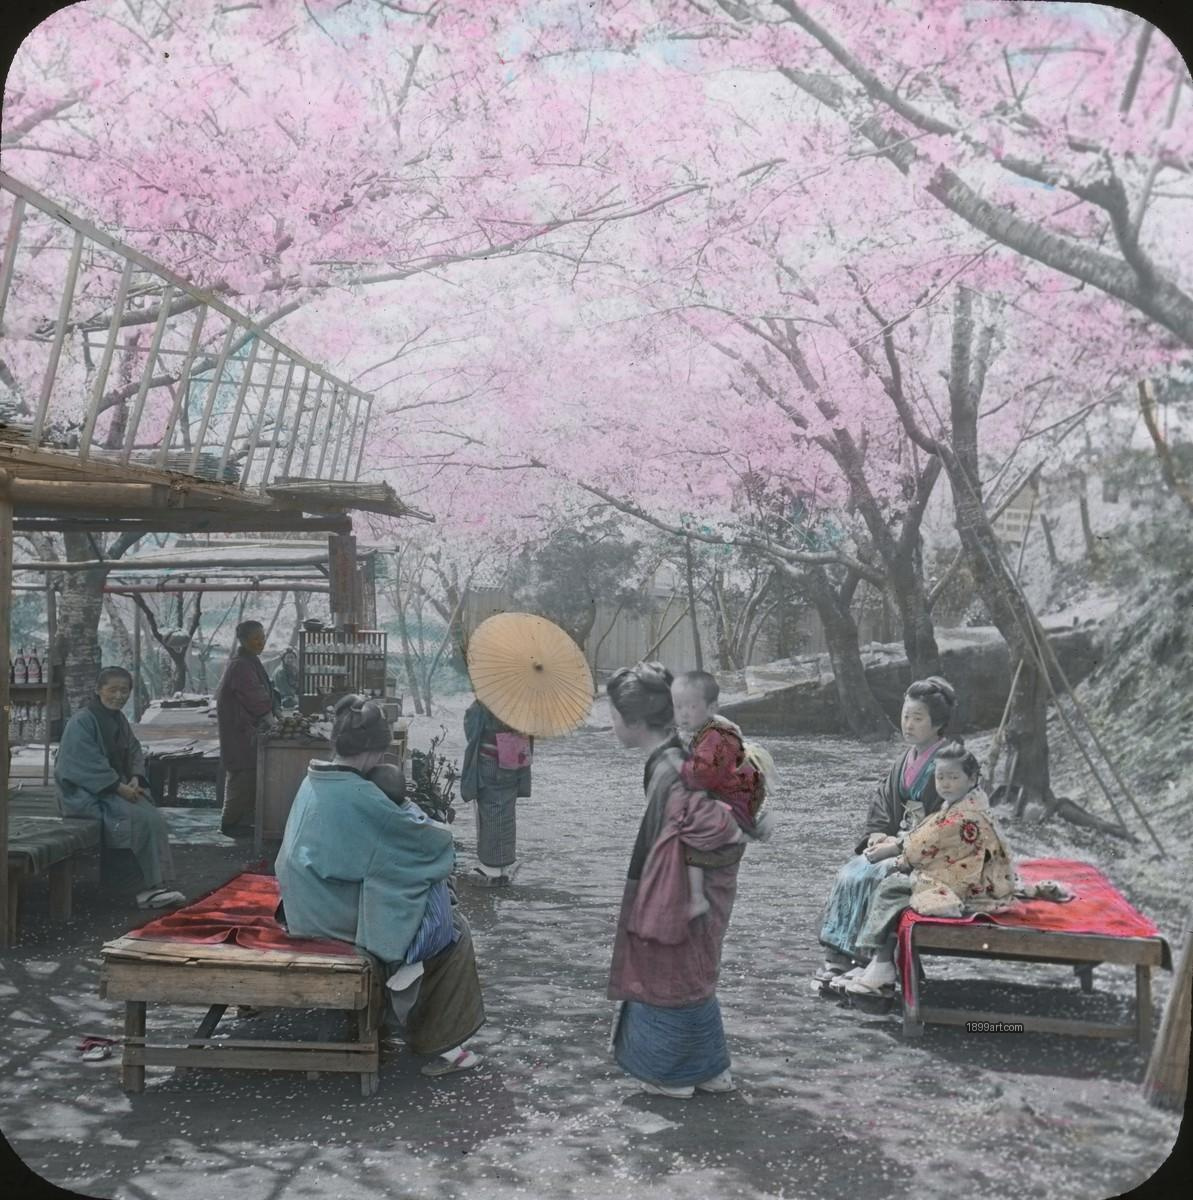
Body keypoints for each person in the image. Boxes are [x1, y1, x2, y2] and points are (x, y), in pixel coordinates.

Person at [275, 695, 485, 1077]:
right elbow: (429, 845)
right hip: (333, 915)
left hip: (307, 903)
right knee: (453, 930)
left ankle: (400, 1007)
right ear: (376, 750)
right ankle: (441, 1043)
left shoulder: (315, 779)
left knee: (421, 897)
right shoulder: (360, 796)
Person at [606, 661, 745, 1099]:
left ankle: (674, 1075)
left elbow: (721, 828)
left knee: (669, 975)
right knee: (689, 976)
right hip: (688, 882)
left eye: (611, 715)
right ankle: (709, 1070)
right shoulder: (673, 756)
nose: (610, 723)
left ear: (632, 721)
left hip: (686, 890)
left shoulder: (673, 768)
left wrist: (678, 884)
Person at [816, 676, 956, 991]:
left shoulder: (950, 762)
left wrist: (900, 846)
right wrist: (879, 834)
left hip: (929, 853)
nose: (908, 724)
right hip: (897, 844)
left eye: (917, 718)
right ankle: (839, 956)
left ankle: (872, 962)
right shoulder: (903, 762)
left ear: (938, 723)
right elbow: (884, 803)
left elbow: (947, 821)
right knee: (853, 870)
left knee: (876, 875)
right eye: (905, 716)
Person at [846, 742, 1016, 996]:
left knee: (894, 888)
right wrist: (895, 843)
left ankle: (882, 964)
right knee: (896, 884)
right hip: (965, 868)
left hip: (977, 882)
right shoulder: (959, 803)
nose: (945, 783)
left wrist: (894, 852)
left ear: (971, 779)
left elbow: (927, 843)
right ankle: (878, 961)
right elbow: (928, 830)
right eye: (940, 777)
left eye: (953, 777)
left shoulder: (967, 813)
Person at [55, 667, 185, 909]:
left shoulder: (118, 719)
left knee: (150, 815)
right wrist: (117, 786)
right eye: (112, 689)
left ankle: (156, 884)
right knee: (135, 819)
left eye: (124, 690)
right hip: (85, 793)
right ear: (98, 690)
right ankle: (141, 890)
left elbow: (134, 749)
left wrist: (135, 776)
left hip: (113, 787)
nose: (118, 696)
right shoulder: (82, 721)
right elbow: (83, 762)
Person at [670, 669, 773, 920]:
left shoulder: (718, 736)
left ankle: (696, 898)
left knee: (687, 832)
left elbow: (702, 775)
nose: (683, 713)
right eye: (678, 706)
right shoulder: (708, 731)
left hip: (732, 805)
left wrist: (677, 763)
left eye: (691, 706)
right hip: (729, 801)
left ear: (711, 706)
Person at [214, 620, 278, 838]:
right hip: (239, 731)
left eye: (263, 637)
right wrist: (273, 722)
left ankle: (240, 822)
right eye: (256, 638)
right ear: (243, 640)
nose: (261, 642)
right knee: (241, 778)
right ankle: (229, 824)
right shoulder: (240, 664)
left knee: (248, 778)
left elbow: (265, 692)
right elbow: (255, 697)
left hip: (247, 730)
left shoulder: (250, 661)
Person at [459, 698, 532, 884]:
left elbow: (471, 729)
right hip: (513, 759)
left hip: (491, 763)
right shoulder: (523, 702)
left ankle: (491, 867)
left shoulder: (488, 701)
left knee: (491, 809)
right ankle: (502, 864)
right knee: (505, 812)